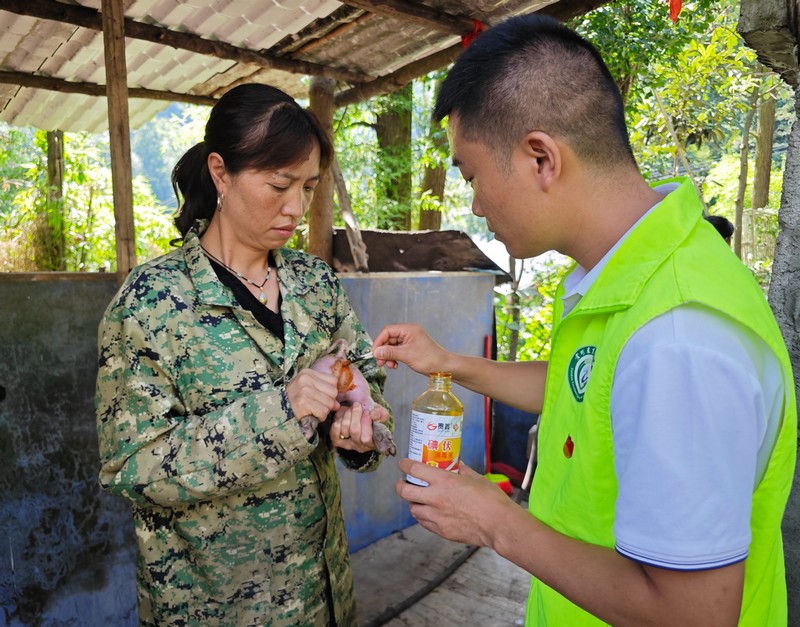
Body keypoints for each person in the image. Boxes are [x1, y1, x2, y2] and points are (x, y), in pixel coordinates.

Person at [372, 14, 796, 627]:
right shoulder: (639, 274)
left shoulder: (679, 338)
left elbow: (693, 615)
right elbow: (587, 388)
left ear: (540, 158)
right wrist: (451, 365)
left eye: (472, 175)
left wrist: (494, 519)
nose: (475, 203)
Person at [95, 83, 393, 626]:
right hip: (215, 608)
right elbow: (133, 467)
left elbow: (365, 376)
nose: (297, 208)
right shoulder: (152, 302)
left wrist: (360, 416)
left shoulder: (315, 282)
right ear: (220, 173)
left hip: (323, 598)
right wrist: (284, 411)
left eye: (308, 186)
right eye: (279, 185)